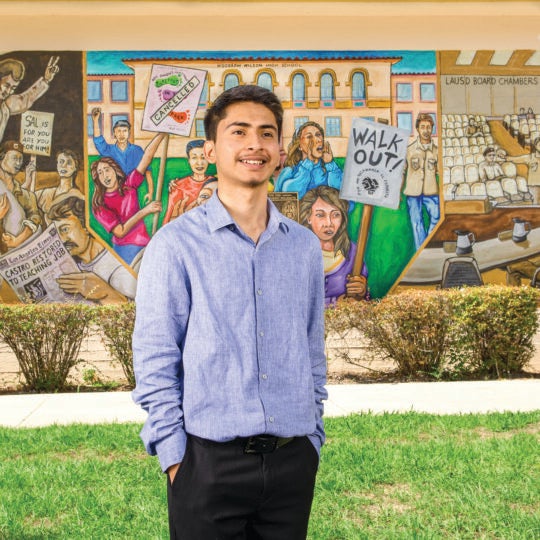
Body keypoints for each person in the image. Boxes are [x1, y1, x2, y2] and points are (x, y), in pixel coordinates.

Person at [132, 85, 327, 540]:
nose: (254, 144)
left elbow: (311, 347)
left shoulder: (303, 248)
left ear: (281, 150)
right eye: (238, 132)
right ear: (211, 149)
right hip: (206, 465)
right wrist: (176, 459)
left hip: (291, 463)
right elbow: (156, 358)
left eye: (266, 133)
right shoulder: (175, 245)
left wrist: (313, 438)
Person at [90, 133, 165, 264]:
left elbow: (146, 157)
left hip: (145, 244)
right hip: (124, 249)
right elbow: (120, 232)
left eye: (107, 170)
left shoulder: (129, 185)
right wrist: (146, 211)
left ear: (115, 170)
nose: (104, 175)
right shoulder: (99, 204)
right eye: (100, 173)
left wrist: (162, 134)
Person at [48, 194, 136, 303]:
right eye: (55, 234)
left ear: (86, 226)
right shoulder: (72, 265)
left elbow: (137, 311)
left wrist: (105, 293)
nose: (61, 240)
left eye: (65, 229)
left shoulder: (116, 265)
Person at [300, 185, 369, 306]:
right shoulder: (296, 253)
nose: (329, 223)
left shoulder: (353, 253)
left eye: (336, 215)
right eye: (320, 215)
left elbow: (362, 303)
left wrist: (361, 292)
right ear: (308, 217)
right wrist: (334, 303)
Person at [91, 108, 154, 202]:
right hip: (113, 192)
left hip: (131, 192)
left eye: (124, 131)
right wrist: (96, 121)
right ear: (114, 134)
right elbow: (98, 140)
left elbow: (147, 172)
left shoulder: (137, 150)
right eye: (118, 131)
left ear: (129, 133)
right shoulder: (108, 150)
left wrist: (150, 192)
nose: (121, 134)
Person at [275, 120, 342, 199]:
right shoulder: (289, 172)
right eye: (309, 137)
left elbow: (345, 202)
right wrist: (308, 164)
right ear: (299, 145)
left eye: (318, 135)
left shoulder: (330, 169)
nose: (318, 140)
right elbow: (289, 197)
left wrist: (330, 165)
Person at [0, 56, 60, 142]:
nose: (8, 91)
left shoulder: (4, 107)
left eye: (13, 88)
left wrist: (46, 80)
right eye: (6, 85)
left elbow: (25, 99)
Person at [403, 113, 440, 250]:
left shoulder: (437, 151)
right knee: (416, 223)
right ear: (417, 129)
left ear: (432, 129)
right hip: (413, 192)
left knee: (437, 217)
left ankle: (427, 244)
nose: (426, 130)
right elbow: (402, 171)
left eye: (429, 127)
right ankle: (421, 250)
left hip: (431, 191)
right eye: (423, 127)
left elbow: (440, 172)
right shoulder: (409, 150)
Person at [0, 140, 42, 253]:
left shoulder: (27, 195)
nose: (18, 163)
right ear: (1, 158)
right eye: (14, 158)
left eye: (20, 159)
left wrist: (17, 241)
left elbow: (35, 218)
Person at [162, 139, 216, 224]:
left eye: (203, 157)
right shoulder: (178, 186)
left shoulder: (215, 184)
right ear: (189, 160)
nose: (199, 163)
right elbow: (168, 219)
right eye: (194, 158)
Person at [25, 148, 84, 221]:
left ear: (75, 167)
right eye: (61, 162)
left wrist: (70, 194)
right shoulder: (46, 193)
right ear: (57, 165)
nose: (63, 165)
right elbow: (26, 200)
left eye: (68, 163)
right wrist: (27, 181)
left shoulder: (77, 195)